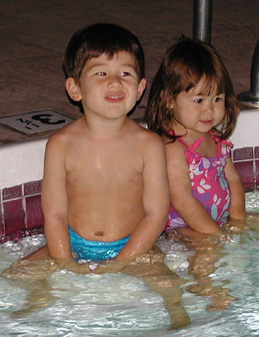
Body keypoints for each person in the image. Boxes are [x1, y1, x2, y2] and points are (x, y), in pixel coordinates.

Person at [2, 24, 191, 329]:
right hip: (73, 243)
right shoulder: (61, 144)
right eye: (101, 73)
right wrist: (64, 262)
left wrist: (123, 261)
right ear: (75, 88)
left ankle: (179, 321)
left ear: (141, 88)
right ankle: (40, 300)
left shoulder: (149, 145)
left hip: (132, 243)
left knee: (170, 286)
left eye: (126, 74)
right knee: (15, 274)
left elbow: (155, 215)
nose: (115, 82)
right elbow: (54, 215)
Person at [146, 37, 246, 310]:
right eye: (199, 99)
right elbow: (182, 199)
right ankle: (203, 283)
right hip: (182, 228)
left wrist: (238, 219)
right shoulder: (174, 148)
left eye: (217, 98)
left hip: (214, 223)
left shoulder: (214, 140)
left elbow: (234, 181)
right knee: (207, 249)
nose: (209, 109)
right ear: (168, 100)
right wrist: (212, 232)